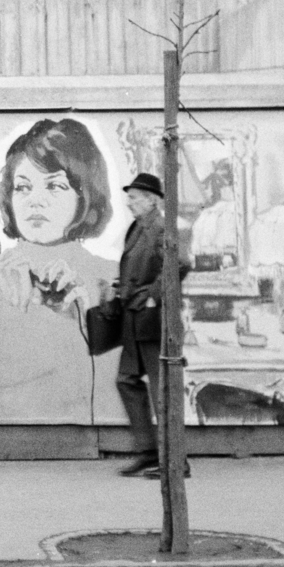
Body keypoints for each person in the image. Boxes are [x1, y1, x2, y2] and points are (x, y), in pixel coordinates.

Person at [0, 117, 119, 423]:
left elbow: (114, 394)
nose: (35, 200)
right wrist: (21, 310)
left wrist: (76, 318)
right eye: (22, 187)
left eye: (56, 186)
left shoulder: (108, 276)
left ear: (84, 196)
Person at [108, 171, 180, 479]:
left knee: (161, 390)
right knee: (126, 380)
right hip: (134, 318)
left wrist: (152, 296)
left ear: (152, 201)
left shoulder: (161, 226)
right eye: (129, 197)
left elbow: (181, 263)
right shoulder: (138, 227)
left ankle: (175, 462)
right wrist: (117, 287)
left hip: (153, 319)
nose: (129, 203)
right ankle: (148, 453)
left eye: (134, 197)